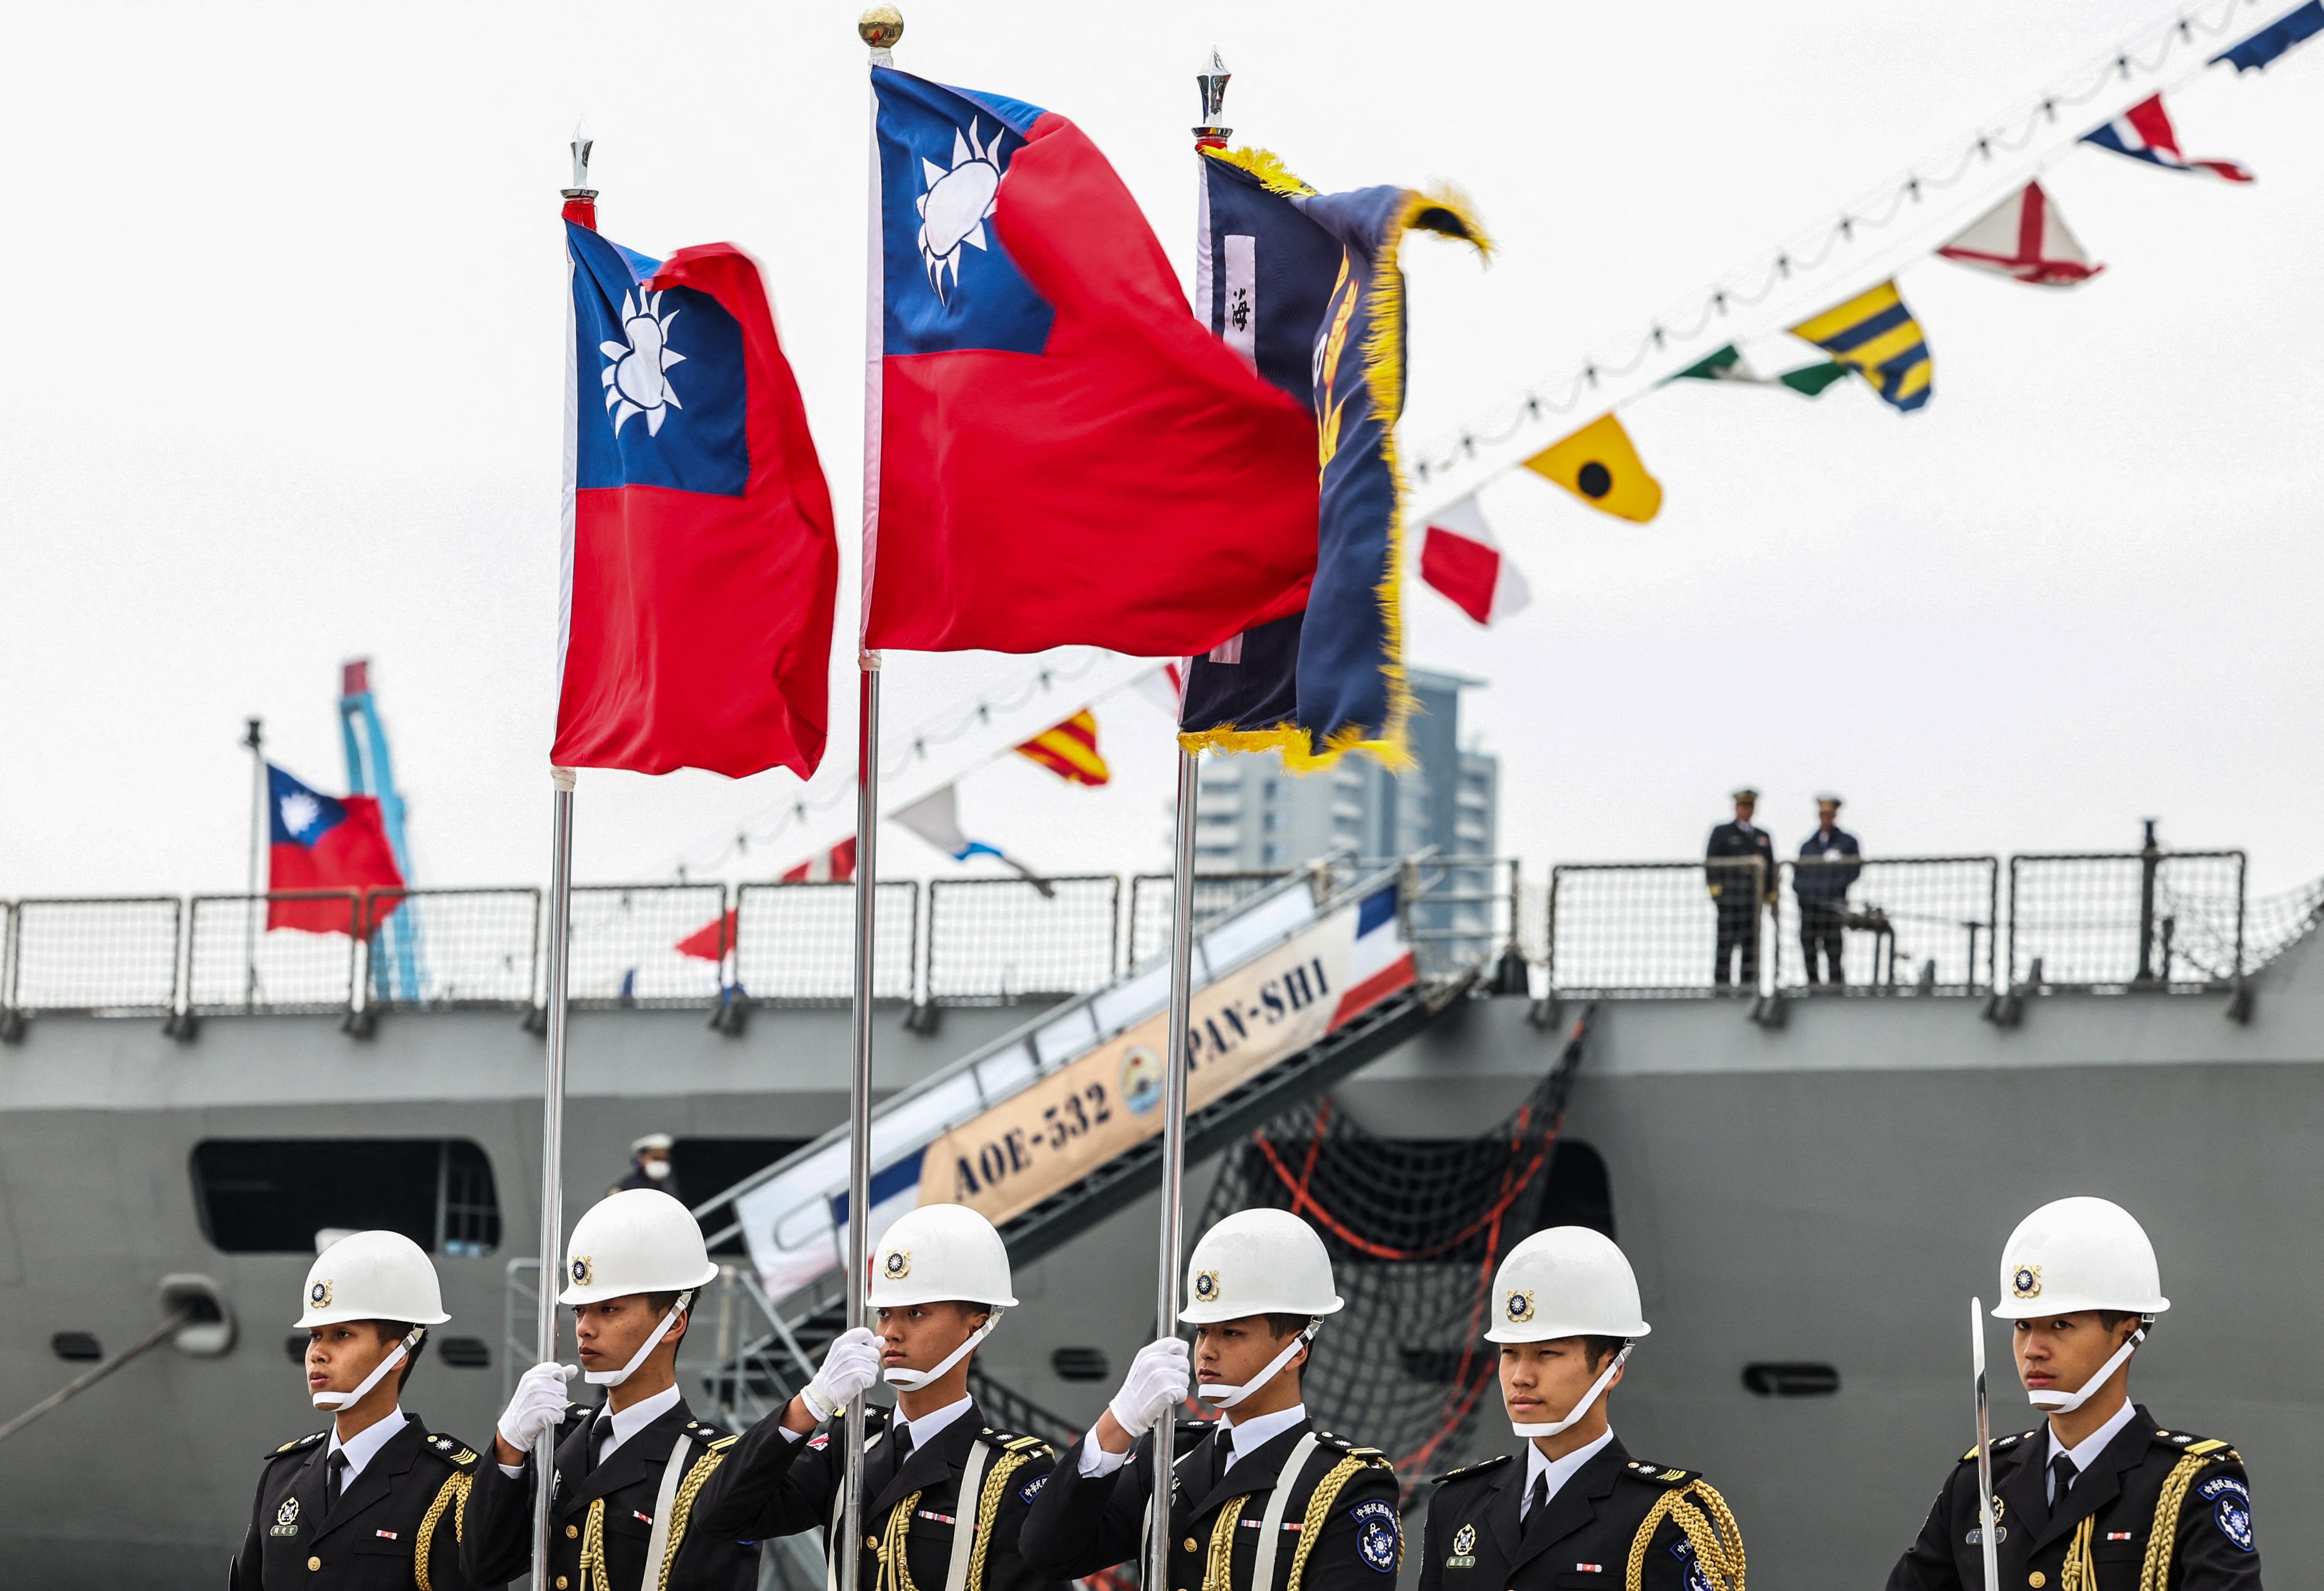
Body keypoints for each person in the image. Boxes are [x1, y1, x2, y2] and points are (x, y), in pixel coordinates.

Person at [1887, 1197, 2262, 1590]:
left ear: (2127, 1334)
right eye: (2023, 1326)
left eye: (2061, 1325)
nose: (2033, 1349)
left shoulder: (2191, 1484)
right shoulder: (1979, 1481)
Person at [1022, 1208, 1402, 1591]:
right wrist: (1119, 1422)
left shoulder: (1345, 1486)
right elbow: (1049, 1552)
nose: (1206, 1351)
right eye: (1203, 1331)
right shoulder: (1169, 1455)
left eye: (1231, 1333)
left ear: (1297, 1349)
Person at [696, 1202, 1063, 1591]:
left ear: (976, 1326)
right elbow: (720, 1516)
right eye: (885, 1313)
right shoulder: (851, 1442)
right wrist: (811, 1403)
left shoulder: (1009, 1475)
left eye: (916, 1313)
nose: (891, 1332)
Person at [1419, 1228, 1743, 1591]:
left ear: (1613, 1369)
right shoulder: (1456, 1503)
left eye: (1547, 1353)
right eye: (1509, 1353)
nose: (1521, 1377)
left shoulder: (1664, 1515)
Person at [462, 1189, 755, 1591]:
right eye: (580, 1310)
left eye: (609, 1309)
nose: (585, 1328)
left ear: (673, 1323)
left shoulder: (711, 1469)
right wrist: (509, 1446)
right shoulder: (556, 1439)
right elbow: (483, 1566)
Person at [231, 1229, 492, 1590]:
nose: (317, 1353)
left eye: (342, 1334)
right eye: (315, 1335)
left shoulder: (450, 1486)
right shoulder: (281, 1475)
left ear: (398, 1353)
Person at [1705, 789, 1776, 990]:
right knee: (1725, 946)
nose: (1747, 810)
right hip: (1730, 900)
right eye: (1743, 806)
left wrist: (1771, 896)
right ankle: (1722, 988)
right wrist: (1717, 892)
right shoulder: (1722, 833)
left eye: (1750, 806)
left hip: (1752, 902)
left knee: (1750, 948)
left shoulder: (1762, 836)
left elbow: (1770, 868)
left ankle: (1748, 988)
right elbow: (1712, 863)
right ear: (1737, 808)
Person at [1794, 792, 1862, 986]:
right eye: (1822, 814)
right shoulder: (1809, 846)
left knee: (1833, 949)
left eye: (1829, 814)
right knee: (1809, 947)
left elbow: (1853, 871)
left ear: (1835, 815)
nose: (1825, 818)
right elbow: (1799, 875)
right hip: (1810, 907)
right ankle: (1812, 985)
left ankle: (1836, 987)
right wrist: (1804, 895)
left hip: (1832, 907)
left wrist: (1833, 889)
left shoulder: (1847, 842)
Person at [612, 1132, 675, 1196]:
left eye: (665, 1159)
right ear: (641, 1159)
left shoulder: (669, 1189)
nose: (661, 1163)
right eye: (656, 1158)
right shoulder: (626, 1187)